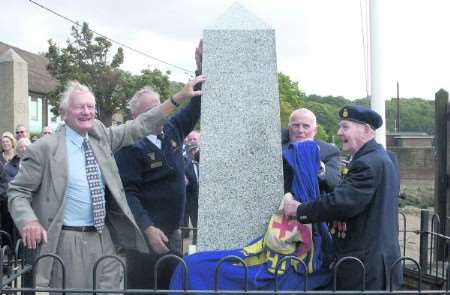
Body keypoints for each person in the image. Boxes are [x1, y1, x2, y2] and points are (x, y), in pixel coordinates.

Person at [7, 76, 205, 291]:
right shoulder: (44, 149)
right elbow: (17, 191)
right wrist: (29, 221)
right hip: (69, 240)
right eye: (79, 107)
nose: (86, 112)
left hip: (105, 239)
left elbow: (140, 125)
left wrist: (177, 98)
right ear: (64, 113)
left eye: (90, 106)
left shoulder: (100, 136)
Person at [283, 105, 402, 291]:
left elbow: (342, 202)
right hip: (370, 261)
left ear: (365, 130)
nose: (339, 132)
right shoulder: (379, 157)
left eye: (345, 127)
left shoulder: (368, 163)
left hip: (365, 265)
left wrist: (298, 210)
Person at [115, 43, 204, 290]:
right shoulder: (130, 145)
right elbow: (128, 193)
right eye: (151, 109)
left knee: (171, 286)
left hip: (172, 233)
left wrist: (201, 66)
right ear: (137, 117)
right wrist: (148, 229)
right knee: (143, 288)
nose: (159, 112)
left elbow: (196, 104)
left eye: (160, 105)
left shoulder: (173, 129)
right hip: (145, 238)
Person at [282, 108, 340, 193]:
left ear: (315, 130)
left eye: (306, 126)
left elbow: (334, 181)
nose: (300, 130)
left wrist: (316, 164)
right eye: (296, 125)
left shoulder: (328, 150)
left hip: (311, 203)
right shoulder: (277, 147)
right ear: (289, 128)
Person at [182, 141, 200, 242]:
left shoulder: (202, 163)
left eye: (196, 149)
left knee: (197, 220)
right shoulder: (186, 167)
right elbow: (185, 183)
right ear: (190, 153)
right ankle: (194, 240)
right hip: (191, 199)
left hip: (201, 198)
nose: (194, 151)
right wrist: (186, 182)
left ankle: (197, 237)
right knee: (194, 220)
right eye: (192, 150)